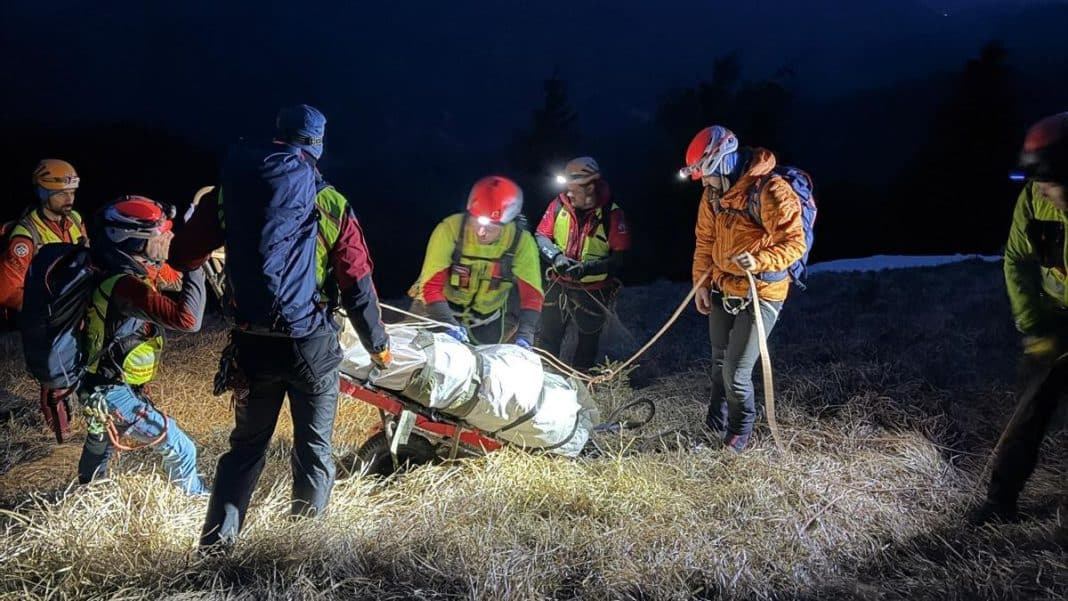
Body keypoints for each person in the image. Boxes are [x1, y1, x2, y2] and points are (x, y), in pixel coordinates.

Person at [169, 104, 391, 550]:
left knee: (245, 448)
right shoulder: (329, 201)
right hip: (311, 345)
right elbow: (357, 284)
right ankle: (300, 552)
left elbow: (182, 256)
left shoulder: (230, 193)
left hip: (252, 345)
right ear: (317, 145)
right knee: (313, 450)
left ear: (278, 136)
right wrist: (378, 347)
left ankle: (216, 546)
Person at [968, 111, 1068, 548]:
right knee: (1029, 410)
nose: (1042, 188)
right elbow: (1018, 260)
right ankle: (1000, 499)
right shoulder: (1035, 199)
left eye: (1049, 178)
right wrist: (1034, 325)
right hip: (1053, 318)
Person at [683, 125, 806, 452]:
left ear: (722, 163)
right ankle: (715, 422)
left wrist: (760, 260)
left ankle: (737, 436)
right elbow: (705, 242)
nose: (704, 183)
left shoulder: (771, 191)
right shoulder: (712, 196)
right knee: (718, 364)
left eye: (706, 174)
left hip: (762, 293)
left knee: (736, 372)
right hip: (724, 287)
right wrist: (701, 285)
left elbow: (795, 243)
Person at [77, 195, 208, 495]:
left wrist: (185, 253)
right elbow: (189, 320)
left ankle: (88, 494)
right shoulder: (125, 285)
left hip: (98, 385)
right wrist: (195, 264)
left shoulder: (122, 271)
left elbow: (173, 281)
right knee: (180, 446)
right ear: (135, 241)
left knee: (101, 446)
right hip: (112, 392)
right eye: (160, 234)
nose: (167, 238)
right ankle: (197, 503)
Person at [0, 159, 88, 442]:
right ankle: (60, 439)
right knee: (54, 379)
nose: (69, 199)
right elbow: (6, 289)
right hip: (48, 316)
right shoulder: (26, 236)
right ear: (42, 192)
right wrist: (43, 313)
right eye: (61, 193)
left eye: (72, 193)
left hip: (77, 308)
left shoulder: (75, 221)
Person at [409, 175, 543, 346]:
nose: (481, 232)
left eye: (490, 227)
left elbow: (532, 296)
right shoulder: (449, 229)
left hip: (487, 322)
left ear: (507, 223)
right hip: (436, 311)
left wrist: (526, 334)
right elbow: (430, 286)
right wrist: (448, 324)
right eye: (477, 222)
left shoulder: (522, 243)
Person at [535, 157, 630, 370]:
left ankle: (579, 386)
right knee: (547, 339)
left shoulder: (611, 214)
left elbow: (619, 259)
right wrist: (556, 257)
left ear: (590, 187)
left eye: (573, 188)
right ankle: (544, 381)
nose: (568, 193)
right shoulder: (559, 204)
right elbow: (541, 235)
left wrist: (587, 269)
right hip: (558, 285)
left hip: (593, 292)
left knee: (587, 345)